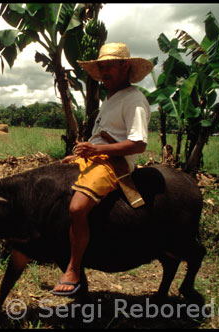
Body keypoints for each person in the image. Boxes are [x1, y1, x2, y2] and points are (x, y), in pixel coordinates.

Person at [51, 42, 153, 296]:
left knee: (76, 207)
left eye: (110, 66)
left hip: (111, 162)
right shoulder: (111, 99)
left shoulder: (134, 99)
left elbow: (138, 144)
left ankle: (74, 268)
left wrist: (96, 151)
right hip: (95, 156)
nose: (104, 72)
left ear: (125, 66)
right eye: (102, 67)